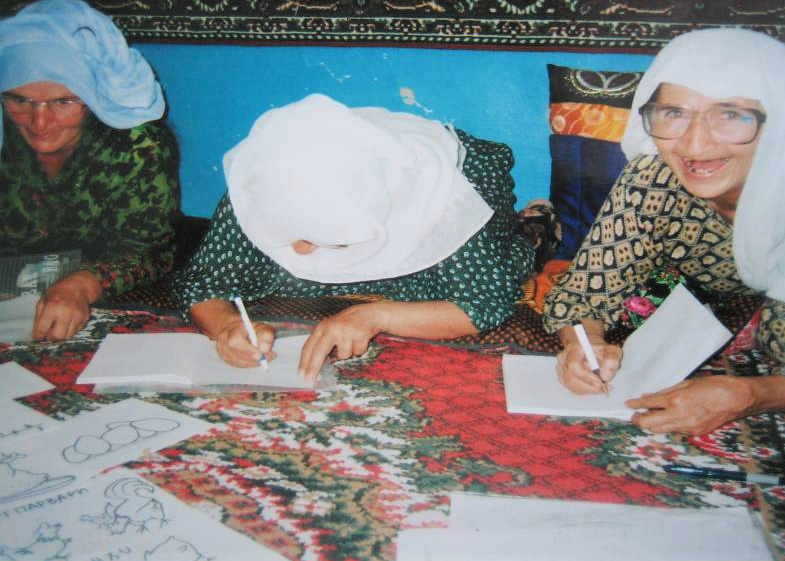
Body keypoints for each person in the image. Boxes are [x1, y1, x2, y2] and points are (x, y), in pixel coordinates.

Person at [173, 93, 534, 379]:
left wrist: (374, 316)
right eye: (289, 233)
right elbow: (203, 285)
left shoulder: (445, 199)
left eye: (320, 238)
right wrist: (227, 327)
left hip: (455, 188)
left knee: (506, 255)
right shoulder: (266, 184)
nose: (298, 250)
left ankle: (536, 225)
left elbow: (484, 303)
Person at [542, 28, 785, 435]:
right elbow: (584, 294)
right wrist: (581, 346)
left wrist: (748, 395)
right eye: (674, 113)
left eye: (729, 115)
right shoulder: (654, 178)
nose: (694, 144)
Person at [0, 0, 180, 341]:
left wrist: (83, 284)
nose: (40, 122)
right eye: (19, 100)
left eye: (63, 102)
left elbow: (150, 251)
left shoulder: (139, 149)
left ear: (93, 97)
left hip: (100, 299)